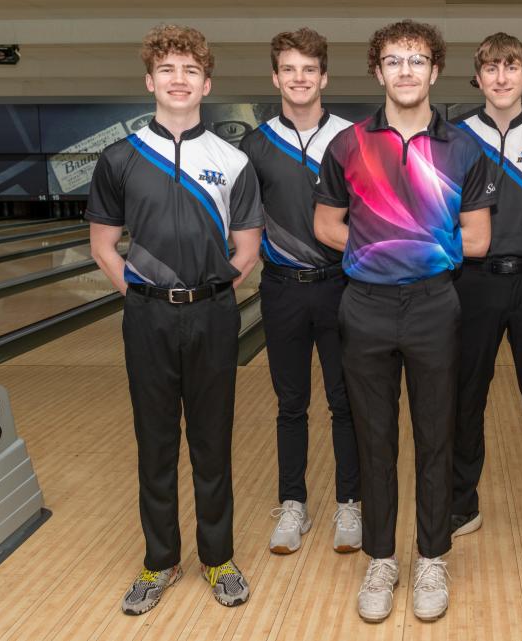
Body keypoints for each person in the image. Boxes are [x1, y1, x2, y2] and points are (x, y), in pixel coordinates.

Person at [313, 20, 494, 623]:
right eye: (394, 60)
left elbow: (478, 239)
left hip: (434, 304)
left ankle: (433, 556)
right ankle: (383, 557)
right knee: (375, 436)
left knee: (436, 434)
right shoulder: (347, 145)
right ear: (378, 70)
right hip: (363, 305)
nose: (407, 70)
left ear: (435, 70)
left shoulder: (464, 148)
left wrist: (410, 247)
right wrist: (374, 249)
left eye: (418, 60)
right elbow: (325, 224)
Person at [87, 24, 264, 614]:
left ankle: (217, 558)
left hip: (212, 317)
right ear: (150, 81)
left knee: (212, 442)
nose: (179, 80)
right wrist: (139, 292)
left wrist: (213, 293)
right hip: (147, 320)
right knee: (155, 442)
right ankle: (159, 561)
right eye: (168, 70)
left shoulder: (232, 160)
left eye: (190, 70)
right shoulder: (121, 158)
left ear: (206, 82)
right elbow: (104, 244)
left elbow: (247, 247)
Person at [239, 28, 361, 557]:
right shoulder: (255, 143)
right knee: (291, 403)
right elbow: (242, 223)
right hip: (282, 288)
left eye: (308, 70)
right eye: (289, 70)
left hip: (342, 286)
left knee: (346, 402)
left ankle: (350, 504)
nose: (299, 79)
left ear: (324, 77)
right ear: (275, 77)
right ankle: (293, 503)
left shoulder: (353, 139)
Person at [450, 32, 522, 547]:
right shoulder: (452, 138)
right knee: (463, 398)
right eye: (491, 68)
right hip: (470, 283)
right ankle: (460, 502)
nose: (501, 77)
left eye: (511, 67)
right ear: (478, 77)